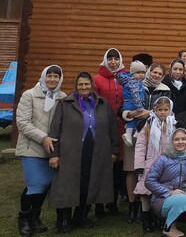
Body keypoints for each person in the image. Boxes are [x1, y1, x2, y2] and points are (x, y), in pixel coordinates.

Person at [48, 72, 120, 232]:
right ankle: (63, 220)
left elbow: (112, 128)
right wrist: (54, 154)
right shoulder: (65, 104)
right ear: (76, 86)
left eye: (87, 84)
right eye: (80, 84)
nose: (84, 87)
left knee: (89, 183)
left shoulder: (103, 104)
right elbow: (55, 130)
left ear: (92, 86)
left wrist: (114, 150)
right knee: (67, 185)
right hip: (70, 152)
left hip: (96, 150)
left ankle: (80, 216)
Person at [16, 65, 66, 236]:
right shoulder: (29, 95)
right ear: (43, 76)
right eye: (49, 76)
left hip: (51, 149)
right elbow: (22, 123)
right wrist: (43, 137)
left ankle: (35, 218)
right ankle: (24, 219)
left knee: (45, 184)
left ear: (60, 79)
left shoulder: (62, 98)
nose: (52, 79)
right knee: (36, 183)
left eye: (56, 76)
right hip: (32, 147)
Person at [144, 128, 186, 237]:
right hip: (161, 199)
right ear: (172, 141)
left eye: (183, 139)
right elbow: (149, 181)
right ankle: (168, 228)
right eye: (177, 139)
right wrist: (170, 193)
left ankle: (173, 217)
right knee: (180, 200)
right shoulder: (163, 158)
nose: (180, 142)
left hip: (183, 198)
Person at [133, 96, 176, 232]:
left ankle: (159, 218)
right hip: (150, 164)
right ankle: (146, 219)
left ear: (170, 110)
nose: (163, 112)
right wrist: (139, 165)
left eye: (166, 109)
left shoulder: (174, 125)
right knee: (146, 192)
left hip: (167, 165)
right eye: (160, 110)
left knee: (163, 191)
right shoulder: (149, 124)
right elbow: (140, 146)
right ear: (155, 109)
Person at [92, 48, 126, 217]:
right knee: (102, 167)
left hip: (122, 128)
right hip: (103, 128)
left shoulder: (125, 78)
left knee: (118, 167)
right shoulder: (97, 79)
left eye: (116, 58)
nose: (113, 62)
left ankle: (112, 203)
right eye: (110, 58)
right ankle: (98, 204)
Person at [116, 60, 148, 147]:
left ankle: (131, 134)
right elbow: (135, 95)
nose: (141, 74)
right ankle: (132, 134)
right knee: (139, 117)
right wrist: (140, 107)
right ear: (132, 74)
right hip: (132, 103)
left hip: (130, 103)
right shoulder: (134, 82)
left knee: (134, 120)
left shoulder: (135, 81)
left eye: (143, 72)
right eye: (138, 72)